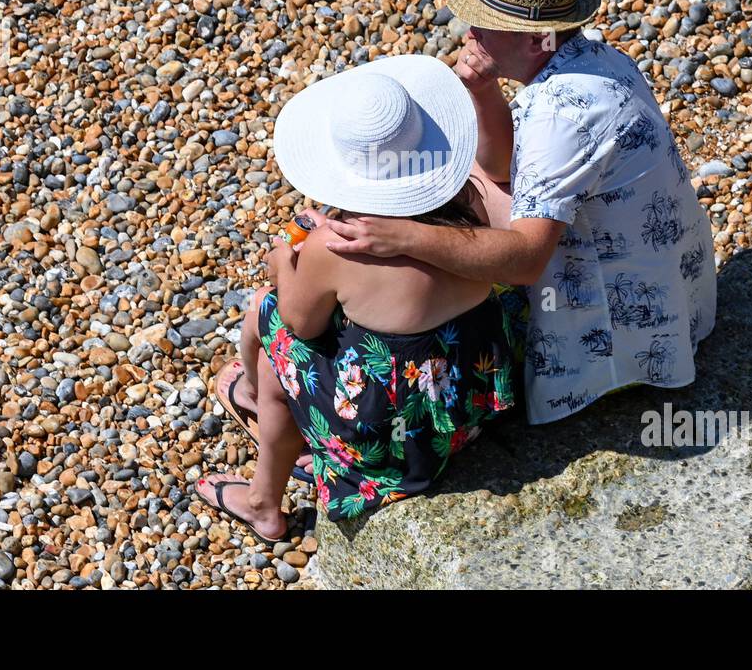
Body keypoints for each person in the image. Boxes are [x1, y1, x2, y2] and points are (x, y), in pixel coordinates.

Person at [326, 0, 717, 425]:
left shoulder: (557, 116)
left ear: (537, 39)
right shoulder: (599, 60)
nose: (467, 33)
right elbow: (501, 169)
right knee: (459, 178)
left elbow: (528, 261)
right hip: (673, 288)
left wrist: (403, 236)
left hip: (615, 325)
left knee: (425, 221)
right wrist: (483, 91)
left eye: (486, 26)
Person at [197, 54, 523, 542]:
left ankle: (265, 497)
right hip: (463, 405)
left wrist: (284, 260)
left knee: (272, 331)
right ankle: (254, 404)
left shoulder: (337, 249)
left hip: (392, 441)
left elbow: (299, 322)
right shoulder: (469, 209)